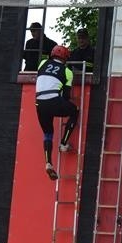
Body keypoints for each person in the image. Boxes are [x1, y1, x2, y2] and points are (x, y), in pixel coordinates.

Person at [35, 45, 79, 180]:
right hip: (54, 100)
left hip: (39, 102)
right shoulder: (68, 72)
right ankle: (64, 143)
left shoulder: (42, 63)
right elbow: (66, 95)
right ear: (65, 58)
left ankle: (48, 163)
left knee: (48, 133)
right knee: (74, 111)